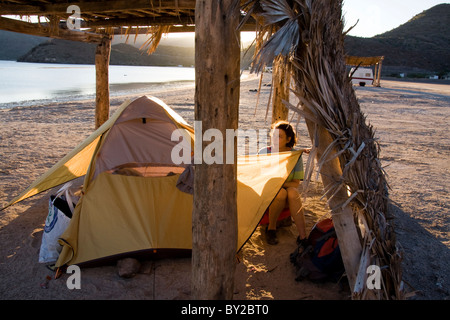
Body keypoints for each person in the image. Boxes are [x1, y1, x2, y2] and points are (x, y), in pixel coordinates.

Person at [258, 121, 309, 248]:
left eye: (279, 136)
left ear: (288, 139)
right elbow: (260, 178)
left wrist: (280, 182)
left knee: (292, 192)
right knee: (280, 193)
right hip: (267, 194)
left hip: (287, 194)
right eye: (273, 135)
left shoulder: (295, 155)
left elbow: (295, 183)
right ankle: (271, 228)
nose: (275, 139)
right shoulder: (264, 152)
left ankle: (303, 236)